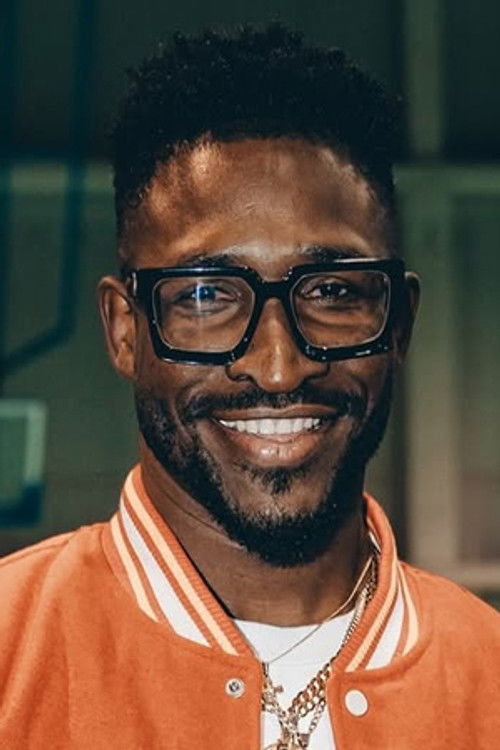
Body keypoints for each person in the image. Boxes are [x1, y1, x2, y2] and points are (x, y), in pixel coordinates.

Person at [0, 24, 498, 750]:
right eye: (207, 295)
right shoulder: (11, 649)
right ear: (125, 330)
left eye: (331, 290)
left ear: (399, 323)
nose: (278, 367)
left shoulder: (488, 672)